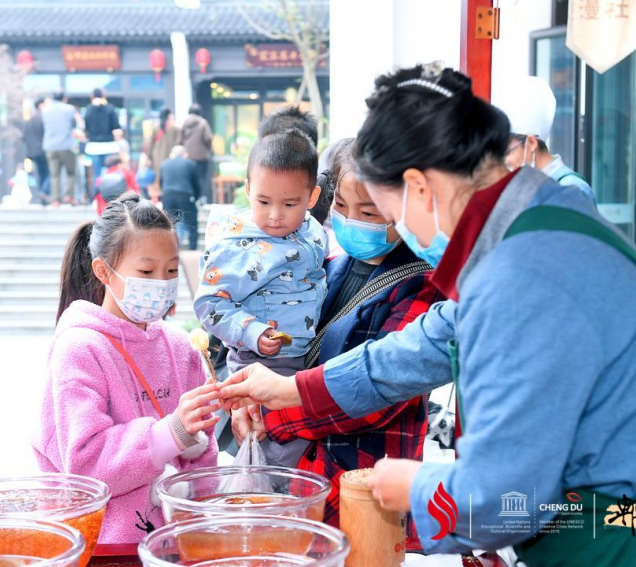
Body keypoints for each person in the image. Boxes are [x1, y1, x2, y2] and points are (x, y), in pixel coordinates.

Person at [217, 64, 636, 565]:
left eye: (393, 211)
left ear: (421, 188)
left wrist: (412, 487)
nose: (402, 232)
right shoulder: (542, 217)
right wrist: (295, 390)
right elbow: (429, 340)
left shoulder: (520, 276)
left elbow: (504, 500)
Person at [231, 138, 443, 547]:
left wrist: (273, 414)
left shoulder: (423, 285)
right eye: (341, 208)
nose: (350, 221)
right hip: (305, 481)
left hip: (366, 485)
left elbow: (379, 396)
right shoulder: (329, 264)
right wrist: (250, 403)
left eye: (368, 212)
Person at [33, 193, 221, 543]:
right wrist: (172, 433)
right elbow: (85, 464)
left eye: (171, 270)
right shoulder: (80, 348)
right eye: (147, 271)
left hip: (179, 541)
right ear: (103, 271)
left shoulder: (180, 346)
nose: (162, 283)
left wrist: (202, 517)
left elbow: (205, 453)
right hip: (108, 547)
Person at [194, 129, 326, 467]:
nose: (275, 215)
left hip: (305, 360)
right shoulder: (236, 245)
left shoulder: (313, 231)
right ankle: (261, 507)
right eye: (263, 202)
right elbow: (209, 304)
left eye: (289, 204)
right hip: (260, 362)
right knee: (272, 450)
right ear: (248, 190)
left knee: (297, 447)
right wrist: (252, 331)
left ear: (311, 197)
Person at [494, 76, 596, 204]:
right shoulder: (527, 189)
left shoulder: (573, 190)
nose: (505, 161)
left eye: (506, 152)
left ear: (531, 143)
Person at [160, 145, 202, 250]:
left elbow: (161, 183)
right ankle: (192, 249)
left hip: (168, 195)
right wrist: (196, 198)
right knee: (192, 224)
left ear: (172, 154)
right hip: (185, 195)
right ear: (185, 154)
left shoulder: (164, 164)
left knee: (169, 224)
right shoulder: (190, 164)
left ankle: (169, 249)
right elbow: (196, 184)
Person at [42, 92, 79, 206]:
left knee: (54, 174)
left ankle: (56, 199)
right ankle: (69, 196)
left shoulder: (45, 110)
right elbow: (74, 124)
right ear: (64, 98)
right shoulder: (69, 109)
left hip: (50, 146)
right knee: (71, 172)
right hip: (66, 145)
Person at [84, 88, 123, 190]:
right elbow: (117, 128)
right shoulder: (110, 108)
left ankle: (96, 198)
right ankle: (110, 198)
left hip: (94, 146)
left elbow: (85, 127)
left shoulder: (88, 109)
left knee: (96, 174)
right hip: (109, 146)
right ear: (103, 96)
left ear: (92, 96)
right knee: (109, 173)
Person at [145, 108, 181, 201]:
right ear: (169, 116)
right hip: (169, 157)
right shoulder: (174, 128)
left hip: (157, 157)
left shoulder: (156, 127)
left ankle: (159, 198)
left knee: (158, 177)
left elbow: (149, 144)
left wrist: (149, 157)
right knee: (169, 176)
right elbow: (179, 142)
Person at [179, 104, 213, 199]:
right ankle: (198, 198)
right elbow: (208, 138)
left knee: (189, 179)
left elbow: (179, 141)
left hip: (187, 158)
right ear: (199, 113)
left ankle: (190, 198)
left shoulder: (184, 123)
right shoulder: (203, 123)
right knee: (200, 179)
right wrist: (209, 149)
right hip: (201, 157)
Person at [24, 97, 50, 202]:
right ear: (41, 105)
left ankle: (42, 195)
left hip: (33, 152)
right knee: (49, 173)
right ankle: (43, 192)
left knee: (40, 173)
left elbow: (25, 137)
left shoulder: (30, 119)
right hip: (43, 150)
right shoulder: (44, 118)